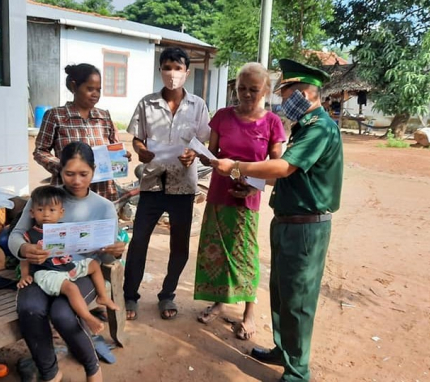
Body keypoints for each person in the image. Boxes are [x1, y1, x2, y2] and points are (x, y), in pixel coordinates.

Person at [210, 59, 344, 382]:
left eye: (289, 93)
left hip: (307, 227)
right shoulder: (303, 129)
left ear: (308, 94)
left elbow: (283, 167)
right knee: (282, 293)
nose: (285, 100)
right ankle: (283, 351)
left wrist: (238, 167)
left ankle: (297, 372)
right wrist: (250, 181)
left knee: (298, 299)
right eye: (285, 93)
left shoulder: (320, 128)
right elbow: (285, 176)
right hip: (288, 221)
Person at [10, 142, 127, 382]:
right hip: (42, 270)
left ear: (94, 171)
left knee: (63, 313)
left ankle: (92, 367)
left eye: (83, 174)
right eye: (69, 173)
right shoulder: (44, 198)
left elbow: (104, 256)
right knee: (30, 308)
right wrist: (25, 248)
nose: (76, 181)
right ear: (59, 171)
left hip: (79, 272)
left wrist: (114, 251)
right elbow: (15, 235)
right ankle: (50, 372)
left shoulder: (104, 208)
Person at [193, 62, 286, 341]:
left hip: (249, 196)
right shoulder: (221, 116)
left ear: (266, 91)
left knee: (244, 255)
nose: (246, 94)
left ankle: (249, 312)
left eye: (253, 90)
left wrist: (242, 176)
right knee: (217, 251)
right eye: (241, 88)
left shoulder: (272, 123)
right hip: (219, 193)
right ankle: (219, 302)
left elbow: (276, 165)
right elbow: (211, 154)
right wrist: (198, 156)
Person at [124, 46, 211, 321]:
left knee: (180, 246)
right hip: (151, 183)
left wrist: (193, 153)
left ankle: (167, 295)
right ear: (160, 70)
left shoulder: (198, 105)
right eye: (167, 68)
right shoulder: (146, 103)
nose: (172, 74)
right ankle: (130, 295)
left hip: (183, 186)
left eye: (178, 68)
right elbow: (137, 137)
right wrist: (141, 150)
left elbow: (203, 139)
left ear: (186, 72)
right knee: (138, 242)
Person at [17, 185, 119, 335]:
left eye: (51, 210)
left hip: (68, 266)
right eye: (40, 210)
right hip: (47, 273)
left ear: (61, 213)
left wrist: (101, 245)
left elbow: (78, 245)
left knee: (94, 264)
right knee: (71, 289)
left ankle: (103, 297)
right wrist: (25, 275)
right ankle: (88, 318)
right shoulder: (30, 235)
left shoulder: (64, 229)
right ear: (32, 213)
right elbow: (24, 258)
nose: (46, 214)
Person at [33, 63, 128, 201]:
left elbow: (114, 149)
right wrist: (63, 167)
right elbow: (40, 151)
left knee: (101, 222)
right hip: (68, 191)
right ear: (74, 86)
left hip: (103, 192)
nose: (95, 94)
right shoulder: (56, 116)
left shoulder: (103, 116)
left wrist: (121, 157)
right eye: (90, 89)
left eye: (98, 90)